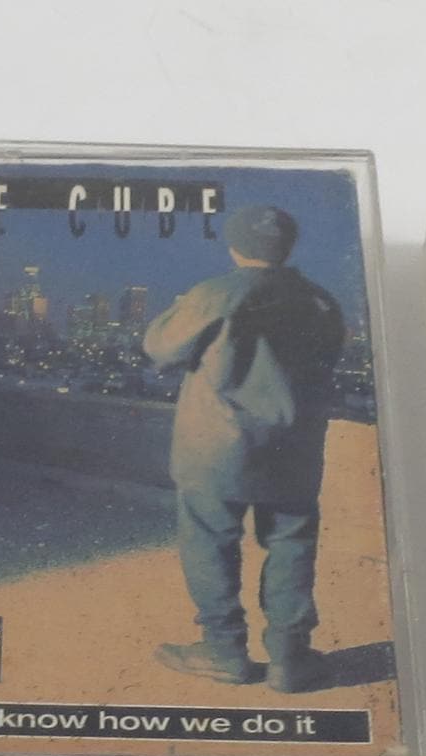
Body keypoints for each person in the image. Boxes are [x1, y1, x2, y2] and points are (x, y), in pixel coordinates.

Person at [142, 204, 347, 693]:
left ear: (234, 246)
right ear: (288, 246)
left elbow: (160, 346)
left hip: (217, 445)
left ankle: (224, 651)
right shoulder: (321, 300)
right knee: (292, 542)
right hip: (294, 447)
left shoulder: (217, 293)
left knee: (211, 541)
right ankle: (290, 658)